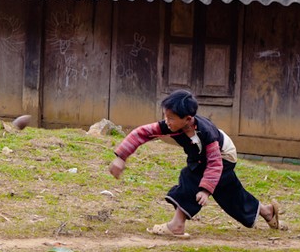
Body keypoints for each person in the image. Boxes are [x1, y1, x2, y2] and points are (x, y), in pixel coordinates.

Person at [108, 89, 282, 238]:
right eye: (165, 116)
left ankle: (177, 225)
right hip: (202, 158)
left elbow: (214, 163)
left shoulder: (206, 133)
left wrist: (205, 189)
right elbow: (141, 133)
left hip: (223, 156)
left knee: (190, 177)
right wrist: (121, 157)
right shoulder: (170, 125)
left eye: (171, 118)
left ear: (188, 119)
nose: (167, 122)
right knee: (229, 192)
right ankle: (267, 211)